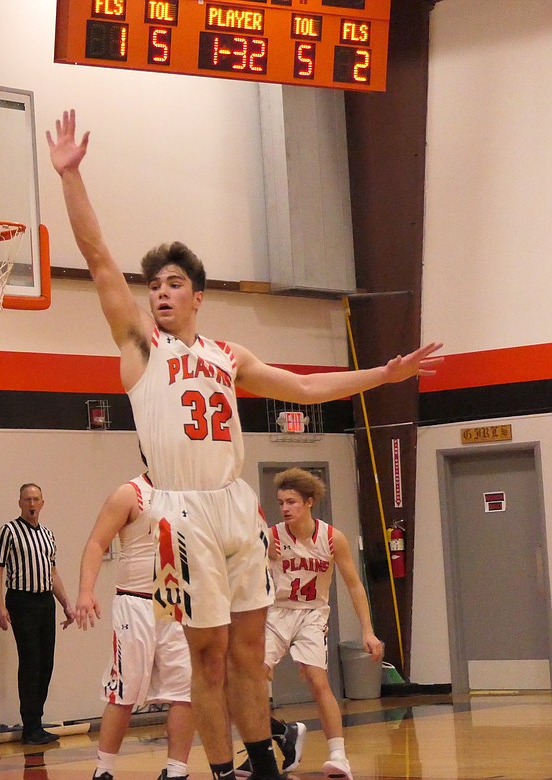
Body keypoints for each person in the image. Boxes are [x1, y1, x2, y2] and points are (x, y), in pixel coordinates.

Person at [46, 109, 441, 780]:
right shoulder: (141, 347)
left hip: (235, 505)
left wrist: (384, 373)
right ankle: (225, 769)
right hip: (178, 514)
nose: (160, 293)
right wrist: (72, 176)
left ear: (197, 296)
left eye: (173, 284)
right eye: (156, 286)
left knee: (251, 650)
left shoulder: (229, 354)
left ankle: (262, 760)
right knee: (205, 654)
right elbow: (98, 258)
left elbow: (305, 387)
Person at [236, 468, 383, 780]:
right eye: (281, 503)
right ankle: (262, 747)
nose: (285, 508)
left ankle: (338, 755)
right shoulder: (271, 537)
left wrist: (367, 630)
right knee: (252, 682)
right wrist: (259, 549)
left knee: (318, 681)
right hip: (275, 613)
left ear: (309, 502)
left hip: (313, 615)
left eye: (291, 502)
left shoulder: (332, 538)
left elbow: (355, 586)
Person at [75, 470, 194, 780]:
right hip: (136, 602)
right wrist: (86, 592)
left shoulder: (191, 492)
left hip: (179, 605)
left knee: (185, 692)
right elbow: (95, 544)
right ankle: (104, 771)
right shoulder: (130, 493)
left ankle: (177, 771)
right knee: (124, 691)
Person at [0, 484, 76, 746]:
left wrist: (66, 604)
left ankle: (37, 722)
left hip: (44, 601)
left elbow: (52, 573)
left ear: (42, 503)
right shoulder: (8, 531)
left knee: (45, 662)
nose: (31, 503)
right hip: (21, 600)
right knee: (30, 661)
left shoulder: (48, 534)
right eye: (27, 499)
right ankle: (30, 726)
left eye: (36, 499)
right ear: (19, 502)